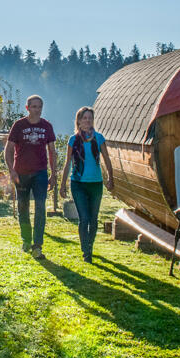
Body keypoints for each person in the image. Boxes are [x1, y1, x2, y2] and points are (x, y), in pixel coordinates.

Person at [5, 95, 58, 259]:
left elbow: (52, 151)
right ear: (27, 108)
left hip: (40, 172)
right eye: (34, 106)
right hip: (21, 173)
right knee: (23, 207)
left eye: (39, 106)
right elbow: (8, 150)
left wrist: (54, 174)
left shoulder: (47, 126)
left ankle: (37, 245)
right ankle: (26, 239)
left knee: (41, 207)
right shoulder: (19, 125)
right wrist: (11, 171)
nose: (37, 109)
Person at [59, 106, 114, 262]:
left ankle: (90, 245)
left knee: (94, 219)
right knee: (84, 218)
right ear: (79, 121)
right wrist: (62, 185)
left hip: (96, 183)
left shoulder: (99, 138)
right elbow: (67, 162)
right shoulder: (73, 140)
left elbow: (107, 159)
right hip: (78, 183)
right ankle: (86, 251)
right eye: (84, 118)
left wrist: (111, 177)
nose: (87, 120)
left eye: (90, 118)